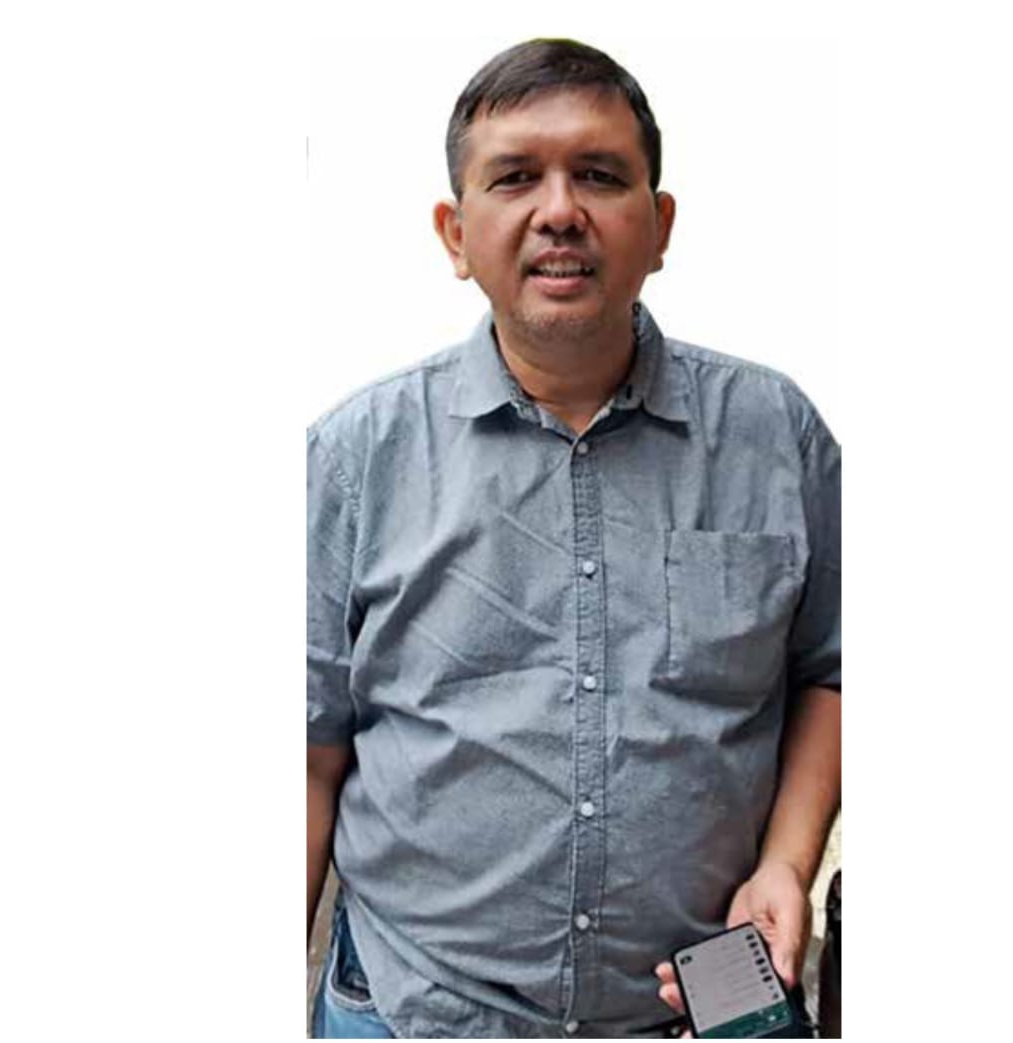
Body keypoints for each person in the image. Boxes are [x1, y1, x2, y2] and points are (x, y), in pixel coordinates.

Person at [307, 38, 841, 1038]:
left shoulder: (779, 437)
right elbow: (305, 750)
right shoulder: (354, 457)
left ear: (660, 224)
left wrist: (786, 861)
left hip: (693, 1009)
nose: (559, 210)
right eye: (515, 177)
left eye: (599, 174)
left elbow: (831, 669)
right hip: (416, 1008)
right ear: (455, 233)